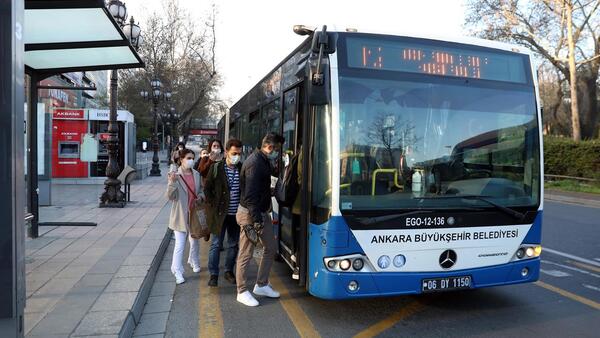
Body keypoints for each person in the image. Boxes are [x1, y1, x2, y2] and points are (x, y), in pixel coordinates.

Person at [235, 132, 285, 307]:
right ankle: (241, 291)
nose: (278, 153)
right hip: (250, 214)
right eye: (277, 150)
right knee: (246, 253)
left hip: (260, 212)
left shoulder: (263, 160)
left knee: (270, 248)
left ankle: (261, 284)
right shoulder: (255, 164)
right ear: (269, 147)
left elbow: (259, 189)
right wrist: (256, 221)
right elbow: (250, 197)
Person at [205, 138, 243, 287]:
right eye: (234, 153)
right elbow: (207, 188)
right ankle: (213, 274)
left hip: (236, 214)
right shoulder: (216, 168)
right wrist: (213, 203)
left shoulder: (242, 168)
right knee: (216, 244)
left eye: (239, 154)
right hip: (219, 214)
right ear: (226, 152)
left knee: (233, 244)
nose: (237, 156)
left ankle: (228, 271)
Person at [166, 148, 205, 284]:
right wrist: (172, 182)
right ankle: (177, 270)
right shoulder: (175, 175)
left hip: (194, 213)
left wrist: (200, 197)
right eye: (188, 158)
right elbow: (170, 197)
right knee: (180, 244)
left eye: (192, 158)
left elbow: (200, 190)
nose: (191, 160)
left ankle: (193, 260)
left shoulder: (196, 174)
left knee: (194, 240)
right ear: (181, 159)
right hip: (180, 215)